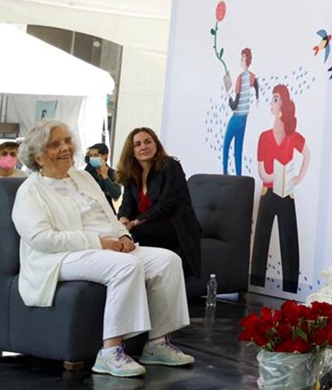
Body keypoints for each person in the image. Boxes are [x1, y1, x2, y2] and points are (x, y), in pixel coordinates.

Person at [12, 119, 194, 377]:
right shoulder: (31, 191)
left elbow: (108, 215)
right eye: (55, 144)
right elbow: (43, 239)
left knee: (168, 261)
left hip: (102, 247)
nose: (65, 147)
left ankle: (157, 344)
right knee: (127, 266)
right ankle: (110, 352)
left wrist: (123, 235)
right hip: (59, 257)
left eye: (67, 141)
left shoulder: (83, 177)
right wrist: (99, 243)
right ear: (39, 157)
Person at [116, 128, 202, 279]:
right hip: (145, 223)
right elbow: (126, 203)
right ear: (132, 151)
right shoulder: (132, 172)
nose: (144, 147)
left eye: (148, 141)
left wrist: (135, 222)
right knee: (117, 235)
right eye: (137, 144)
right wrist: (123, 220)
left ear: (156, 144)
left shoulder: (171, 166)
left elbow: (167, 204)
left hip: (175, 224)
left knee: (136, 233)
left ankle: (138, 276)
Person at [250, 84, 309, 293]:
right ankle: (256, 285)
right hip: (268, 191)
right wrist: (271, 176)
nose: (271, 103)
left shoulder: (293, 136)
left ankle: (291, 287)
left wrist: (297, 177)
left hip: (286, 192)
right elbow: (261, 170)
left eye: (275, 99)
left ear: (283, 103)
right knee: (261, 241)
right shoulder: (264, 137)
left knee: (289, 240)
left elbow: (307, 154)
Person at [222, 47, 258, 176]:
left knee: (226, 147)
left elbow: (234, 105)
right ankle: (239, 177)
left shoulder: (240, 78)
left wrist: (228, 96)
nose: (241, 60)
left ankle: (224, 174)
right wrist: (257, 98)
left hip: (236, 118)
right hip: (244, 118)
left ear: (245, 59)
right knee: (238, 149)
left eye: (242, 58)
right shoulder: (252, 76)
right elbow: (256, 85)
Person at [84, 142, 121, 210]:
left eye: (95, 155)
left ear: (105, 156)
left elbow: (116, 195)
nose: (92, 158)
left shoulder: (113, 173)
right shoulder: (87, 173)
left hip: (107, 210)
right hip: (89, 209)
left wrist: (105, 176)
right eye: (90, 155)